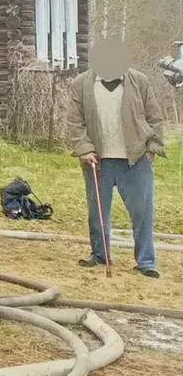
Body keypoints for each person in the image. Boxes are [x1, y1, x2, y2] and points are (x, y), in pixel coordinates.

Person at [71, 36, 166, 278]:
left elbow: (155, 118)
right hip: (98, 161)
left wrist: (151, 149)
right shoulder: (81, 84)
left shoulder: (139, 81)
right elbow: (75, 121)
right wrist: (85, 148)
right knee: (97, 212)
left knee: (142, 213)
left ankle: (146, 261)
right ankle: (100, 255)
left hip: (135, 160)